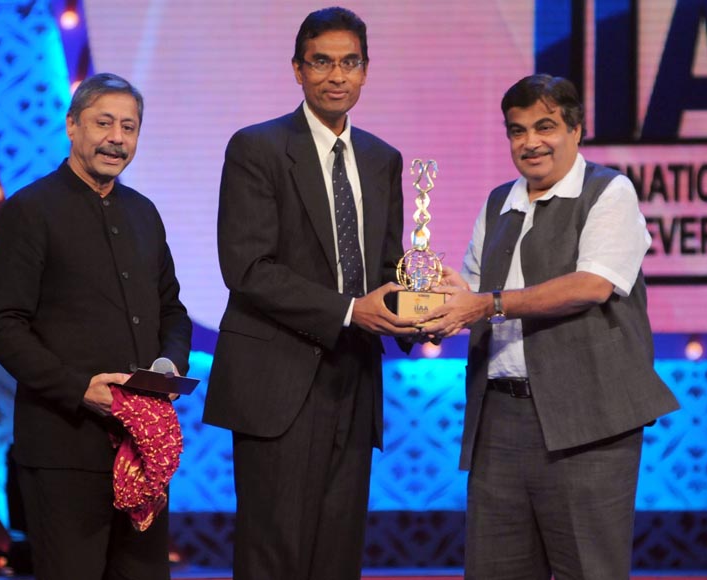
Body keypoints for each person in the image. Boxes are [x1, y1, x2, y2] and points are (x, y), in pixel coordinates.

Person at [419, 74, 680, 580]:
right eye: (517, 131)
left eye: (546, 127)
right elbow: (470, 295)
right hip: (498, 421)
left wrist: (485, 304)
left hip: (588, 423)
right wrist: (432, 311)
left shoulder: (610, 192)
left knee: (590, 570)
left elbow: (591, 285)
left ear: (576, 130)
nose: (531, 142)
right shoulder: (498, 203)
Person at [202, 7, 419, 580]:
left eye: (350, 63)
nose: (336, 76)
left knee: (337, 553)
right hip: (279, 379)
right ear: (297, 70)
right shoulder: (257, 148)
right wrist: (351, 309)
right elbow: (247, 267)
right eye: (321, 62)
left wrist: (420, 305)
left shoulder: (382, 159)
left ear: (366, 71)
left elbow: (386, 265)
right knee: (275, 554)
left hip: (354, 377)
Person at [0, 73, 192, 580]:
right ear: (72, 127)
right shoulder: (30, 211)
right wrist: (80, 389)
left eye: (129, 127)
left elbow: (174, 312)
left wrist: (166, 367)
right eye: (103, 123)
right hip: (62, 449)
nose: (117, 138)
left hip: (142, 450)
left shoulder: (144, 214)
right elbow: (1, 324)